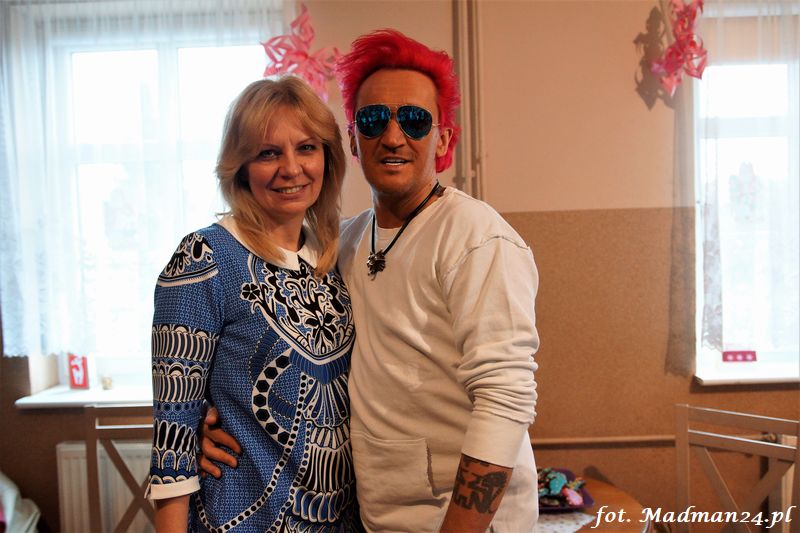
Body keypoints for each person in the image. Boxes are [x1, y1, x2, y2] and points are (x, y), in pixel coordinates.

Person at [202, 29, 540, 533]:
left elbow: (505, 398)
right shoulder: (343, 243)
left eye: (415, 120)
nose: (393, 136)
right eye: (374, 119)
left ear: (444, 139)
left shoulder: (477, 238)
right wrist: (210, 417)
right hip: (376, 517)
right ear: (353, 140)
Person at [146, 76, 361, 532]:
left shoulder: (333, 255)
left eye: (306, 148)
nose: (291, 168)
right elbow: (172, 442)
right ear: (240, 167)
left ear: (327, 158)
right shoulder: (204, 257)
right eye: (268, 153)